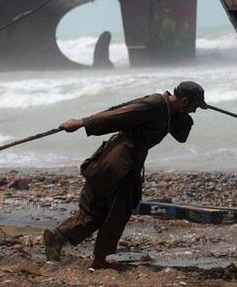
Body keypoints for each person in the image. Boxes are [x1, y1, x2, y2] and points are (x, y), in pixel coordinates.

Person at [43, 81, 207, 270]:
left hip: (110, 161)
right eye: (193, 107)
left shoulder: (168, 111)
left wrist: (189, 111)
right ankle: (99, 260)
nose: (194, 112)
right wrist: (81, 123)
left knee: (94, 211)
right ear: (185, 101)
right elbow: (118, 115)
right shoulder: (155, 105)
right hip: (122, 166)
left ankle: (57, 237)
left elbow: (181, 135)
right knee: (117, 213)